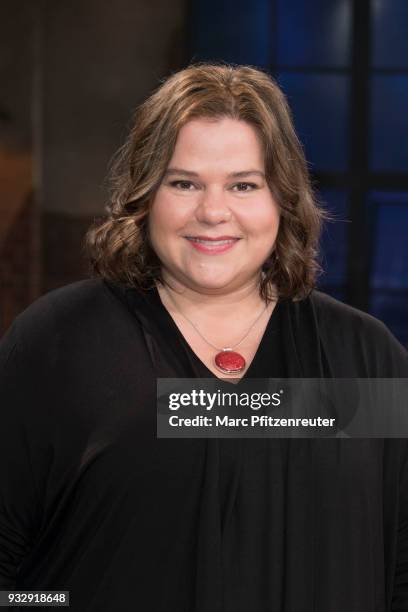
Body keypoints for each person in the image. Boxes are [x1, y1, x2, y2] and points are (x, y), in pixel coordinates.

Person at [0, 63, 407, 612]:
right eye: (184, 183)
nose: (213, 212)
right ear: (145, 196)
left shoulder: (366, 359)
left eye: (243, 185)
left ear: (282, 199)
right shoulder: (58, 344)